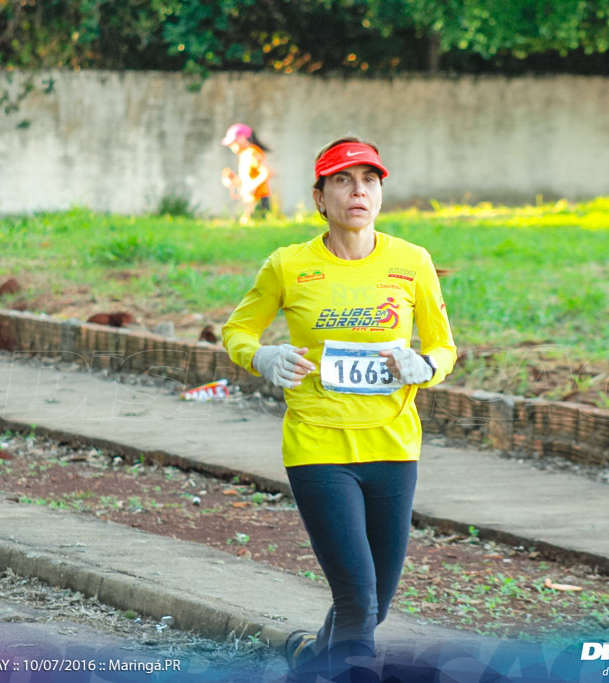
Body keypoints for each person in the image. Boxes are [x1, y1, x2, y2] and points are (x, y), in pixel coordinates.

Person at [222, 136, 456, 680]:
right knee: (357, 599)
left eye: (370, 180)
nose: (359, 191)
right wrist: (262, 356)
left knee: (377, 601)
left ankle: (307, 660)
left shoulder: (411, 262)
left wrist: (427, 366)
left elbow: (444, 345)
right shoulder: (288, 265)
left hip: (393, 445)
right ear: (320, 197)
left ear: (380, 193)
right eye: (343, 181)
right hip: (318, 445)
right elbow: (238, 329)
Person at [220, 123, 273, 224]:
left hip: (259, 199)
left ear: (242, 138)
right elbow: (246, 180)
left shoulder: (252, 152)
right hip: (250, 200)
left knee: (254, 229)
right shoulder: (244, 155)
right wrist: (232, 181)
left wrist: (252, 186)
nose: (231, 146)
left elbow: (268, 172)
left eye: (232, 143)